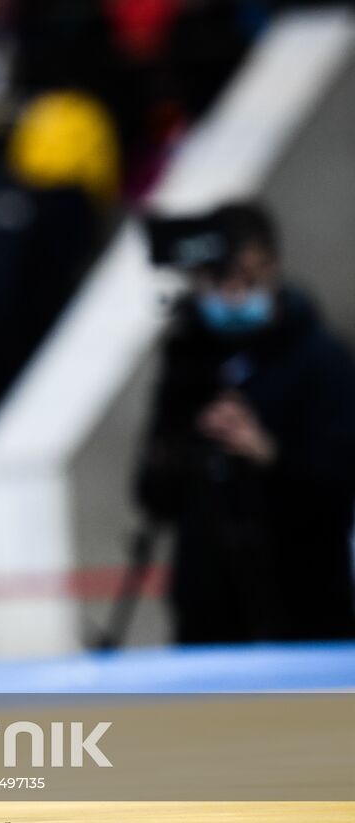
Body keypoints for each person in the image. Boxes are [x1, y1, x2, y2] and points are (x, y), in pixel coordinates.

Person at [136, 201, 355, 643]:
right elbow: (151, 494)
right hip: (208, 608)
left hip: (306, 601)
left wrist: (266, 452)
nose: (234, 293)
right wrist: (183, 444)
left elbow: (341, 483)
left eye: (248, 278)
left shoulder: (323, 360)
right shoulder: (188, 362)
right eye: (219, 278)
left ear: (273, 267)